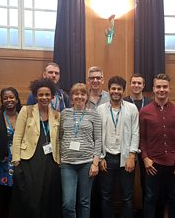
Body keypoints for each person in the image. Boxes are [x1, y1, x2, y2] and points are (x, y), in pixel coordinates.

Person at [139, 73, 175, 218]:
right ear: (153, 89)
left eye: (165, 87)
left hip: (174, 163)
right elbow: (142, 138)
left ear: (169, 88)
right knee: (150, 198)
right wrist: (145, 158)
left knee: (174, 197)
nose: (162, 89)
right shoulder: (144, 111)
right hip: (152, 164)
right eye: (159, 87)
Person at [11, 78, 62, 218]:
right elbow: (17, 137)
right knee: (31, 196)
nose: (44, 97)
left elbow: (59, 140)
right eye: (41, 94)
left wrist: (60, 161)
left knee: (47, 196)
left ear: (52, 96)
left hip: (50, 160)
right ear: (35, 96)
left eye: (47, 94)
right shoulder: (26, 111)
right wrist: (16, 160)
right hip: (30, 159)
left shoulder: (57, 115)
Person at [97, 76, 139, 218]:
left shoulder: (132, 108)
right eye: (113, 88)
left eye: (119, 89)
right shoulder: (100, 109)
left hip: (125, 157)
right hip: (106, 158)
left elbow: (135, 132)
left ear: (123, 90)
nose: (116, 91)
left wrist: (132, 156)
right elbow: (97, 135)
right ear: (108, 91)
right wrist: (100, 157)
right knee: (106, 196)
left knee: (127, 197)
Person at [60, 83, 102, 218]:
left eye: (82, 94)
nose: (79, 96)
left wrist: (95, 163)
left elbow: (98, 140)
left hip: (87, 163)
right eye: (76, 94)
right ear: (71, 97)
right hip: (67, 164)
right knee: (68, 203)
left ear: (87, 97)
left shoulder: (94, 115)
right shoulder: (64, 113)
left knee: (84, 202)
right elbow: (60, 137)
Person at [0, 87, 22, 218]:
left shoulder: (24, 118)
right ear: (2, 101)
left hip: (20, 162)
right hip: (1, 163)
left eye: (12, 97)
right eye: (5, 98)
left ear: (17, 99)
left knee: (17, 196)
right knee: (1, 197)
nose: (9, 100)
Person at [123, 73, 152, 214]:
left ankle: (148, 212)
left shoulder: (150, 102)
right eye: (133, 82)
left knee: (147, 183)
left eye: (139, 83)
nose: (136, 85)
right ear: (130, 84)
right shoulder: (123, 102)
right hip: (128, 147)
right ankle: (130, 211)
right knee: (128, 183)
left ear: (143, 85)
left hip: (148, 147)